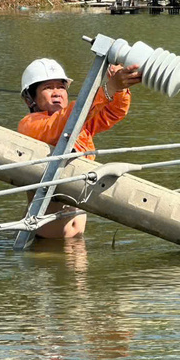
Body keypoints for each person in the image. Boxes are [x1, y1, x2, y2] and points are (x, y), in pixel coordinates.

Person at [18, 58, 142, 239]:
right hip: (44, 242)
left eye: (60, 87)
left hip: (77, 241)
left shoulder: (80, 125)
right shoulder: (29, 125)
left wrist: (120, 87)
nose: (57, 93)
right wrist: (109, 88)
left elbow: (113, 112)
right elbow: (62, 123)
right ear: (30, 99)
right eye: (48, 88)